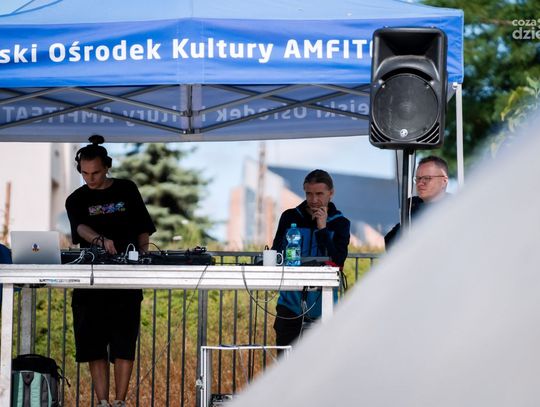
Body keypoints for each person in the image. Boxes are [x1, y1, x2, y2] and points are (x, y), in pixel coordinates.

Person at [65, 135, 156, 407]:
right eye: (84, 173)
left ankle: (119, 402)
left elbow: (142, 226)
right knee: (94, 345)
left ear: (107, 167)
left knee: (124, 343)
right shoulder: (75, 199)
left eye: (95, 173)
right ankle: (103, 402)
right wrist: (100, 240)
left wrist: (143, 254)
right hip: (91, 278)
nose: (89, 179)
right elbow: (80, 228)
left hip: (127, 276)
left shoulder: (127, 189)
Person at [271, 169, 350, 348]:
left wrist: (322, 229)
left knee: (322, 361)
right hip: (290, 303)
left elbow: (338, 261)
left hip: (324, 306)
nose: (314, 200)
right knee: (286, 358)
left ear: (331, 193)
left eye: (319, 194)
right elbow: (277, 253)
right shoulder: (289, 217)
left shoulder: (340, 223)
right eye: (309, 194)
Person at [384, 155, 449, 249]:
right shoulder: (413, 206)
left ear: (444, 181)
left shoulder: (456, 208)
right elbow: (389, 243)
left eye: (427, 178)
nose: (420, 183)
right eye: (418, 178)